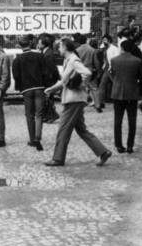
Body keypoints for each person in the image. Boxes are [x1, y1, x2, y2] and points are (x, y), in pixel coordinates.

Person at [44, 38, 112, 167]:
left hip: (73, 100)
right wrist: (51, 89)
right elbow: (64, 81)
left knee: (63, 129)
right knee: (82, 130)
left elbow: (87, 73)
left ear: (65, 48)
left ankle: (58, 158)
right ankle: (103, 152)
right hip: (75, 100)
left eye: (59, 47)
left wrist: (80, 85)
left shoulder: (73, 60)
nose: (58, 49)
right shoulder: (68, 60)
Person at [12, 35, 47, 151]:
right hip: (39, 87)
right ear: (30, 44)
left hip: (26, 89)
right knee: (39, 114)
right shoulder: (39, 56)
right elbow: (45, 71)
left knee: (29, 115)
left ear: (19, 46)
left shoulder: (17, 59)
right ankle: (38, 137)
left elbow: (16, 75)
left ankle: (32, 139)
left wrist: (20, 87)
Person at [110, 39, 142, 154]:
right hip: (132, 92)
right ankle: (130, 145)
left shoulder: (114, 60)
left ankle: (119, 145)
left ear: (122, 48)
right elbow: (140, 76)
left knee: (117, 121)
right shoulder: (137, 61)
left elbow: (112, 74)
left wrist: (116, 82)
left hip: (118, 92)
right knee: (132, 121)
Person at [38, 34, 60, 122]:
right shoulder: (46, 52)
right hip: (48, 79)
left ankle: (52, 115)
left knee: (48, 98)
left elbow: (50, 69)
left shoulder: (48, 54)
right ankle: (48, 115)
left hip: (48, 80)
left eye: (39, 43)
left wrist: (48, 81)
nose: (38, 45)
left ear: (44, 44)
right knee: (47, 98)